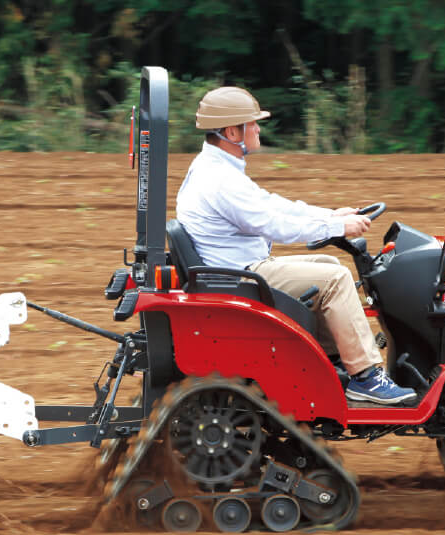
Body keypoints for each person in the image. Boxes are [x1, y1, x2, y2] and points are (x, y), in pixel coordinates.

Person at [176, 86, 416, 406]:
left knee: (329, 268)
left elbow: (274, 206)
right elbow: (275, 224)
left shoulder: (216, 169)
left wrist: (331, 215)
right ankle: (366, 377)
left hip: (235, 270)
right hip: (241, 277)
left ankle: (334, 363)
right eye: (253, 123)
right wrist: (337, 226)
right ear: (232, 132)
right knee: (336, 279)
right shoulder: (219, 179)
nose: (259, 128)